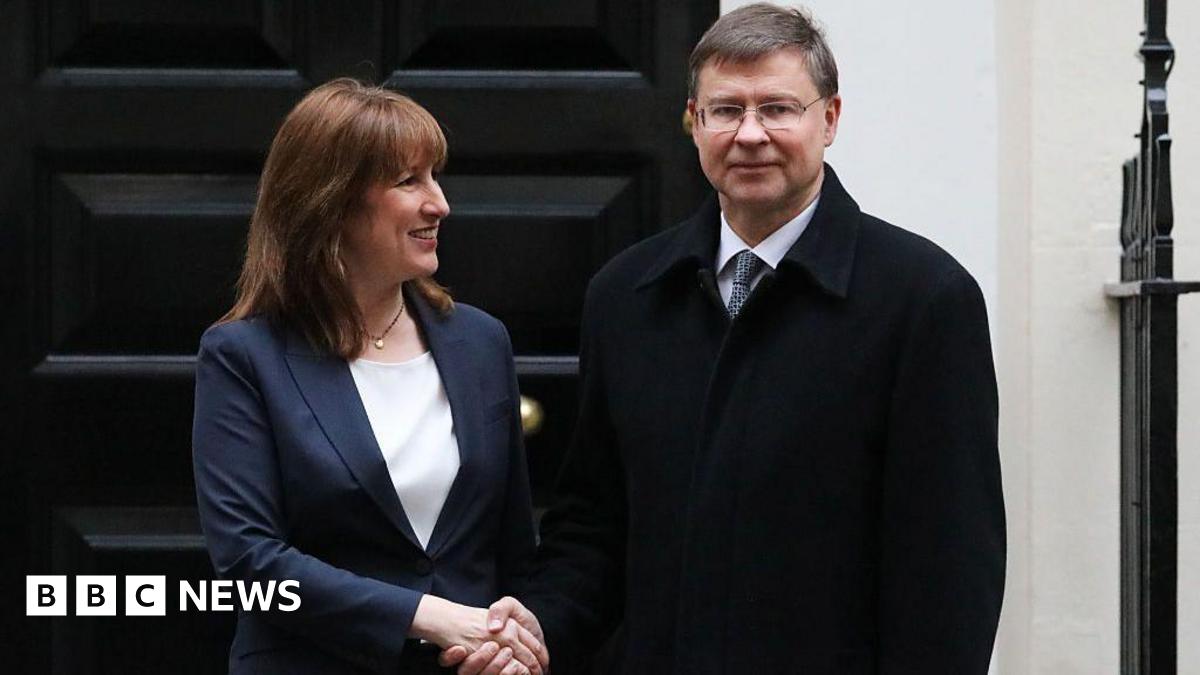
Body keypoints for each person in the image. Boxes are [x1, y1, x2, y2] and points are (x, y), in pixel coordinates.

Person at [444, 4, 1005, 674]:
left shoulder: (925, 300)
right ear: (694, 121)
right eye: (725, 110)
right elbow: (593, 529)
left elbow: (949, 569)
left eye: (777, 108)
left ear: (829, 119)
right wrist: (536, 631)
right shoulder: (624, 295)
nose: (750, 134)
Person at [192, 79, 549, 675]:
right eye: (409, 181)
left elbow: (512, 547)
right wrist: (428, 614)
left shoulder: (480, 342)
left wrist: (510, 642)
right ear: (330, 202)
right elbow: (249, 560)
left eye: (434, 176)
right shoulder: (244, 356)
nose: (439, 203)